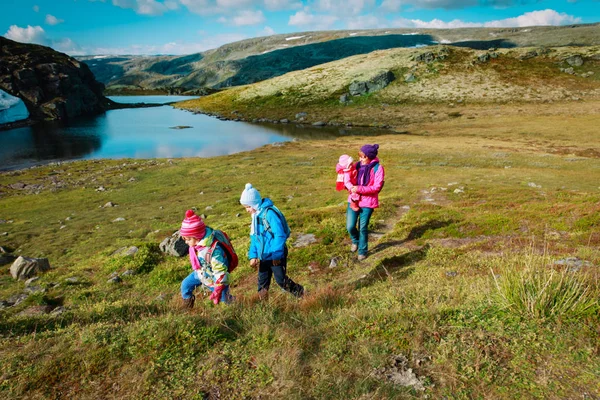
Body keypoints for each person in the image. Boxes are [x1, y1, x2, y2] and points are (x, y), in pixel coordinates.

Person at [240, 183, 304, 300]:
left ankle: (300, 293)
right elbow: (254, 238)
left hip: (276, 254)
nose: (247, 210)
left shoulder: (269, 213)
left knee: (281, 280)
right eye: (245, 207)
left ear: (254, 203)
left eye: (248, 207)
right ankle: (264, 305)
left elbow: (280, 235)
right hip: (264, 255)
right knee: (262, 282)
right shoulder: (255, 216)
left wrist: (276, 255)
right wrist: (253, 255)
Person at [179, 209, 232, 308]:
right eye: (185, 239)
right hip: (200, 272)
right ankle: (187, 307)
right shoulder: (196, 245)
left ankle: (237, 306)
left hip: (214, 279)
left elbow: (220, 269)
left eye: (188, 239)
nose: (186, 242)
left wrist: (219, 287)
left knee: (225, 300)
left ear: (197, 237)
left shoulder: (213, 250)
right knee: (185, 285)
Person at [346, 144, 385, 261]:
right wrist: (350, 186)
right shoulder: (357, 166)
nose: (360, 159)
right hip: (353, 200)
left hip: (368, 203)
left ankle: (362, 251)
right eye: (359, 156)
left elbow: (376, 187)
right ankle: (355, 241)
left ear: (369, 157)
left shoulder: (378, 168)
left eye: (363, 157)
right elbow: (347, 177)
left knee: (363, 227)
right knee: (350, 226)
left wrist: (359, 188)